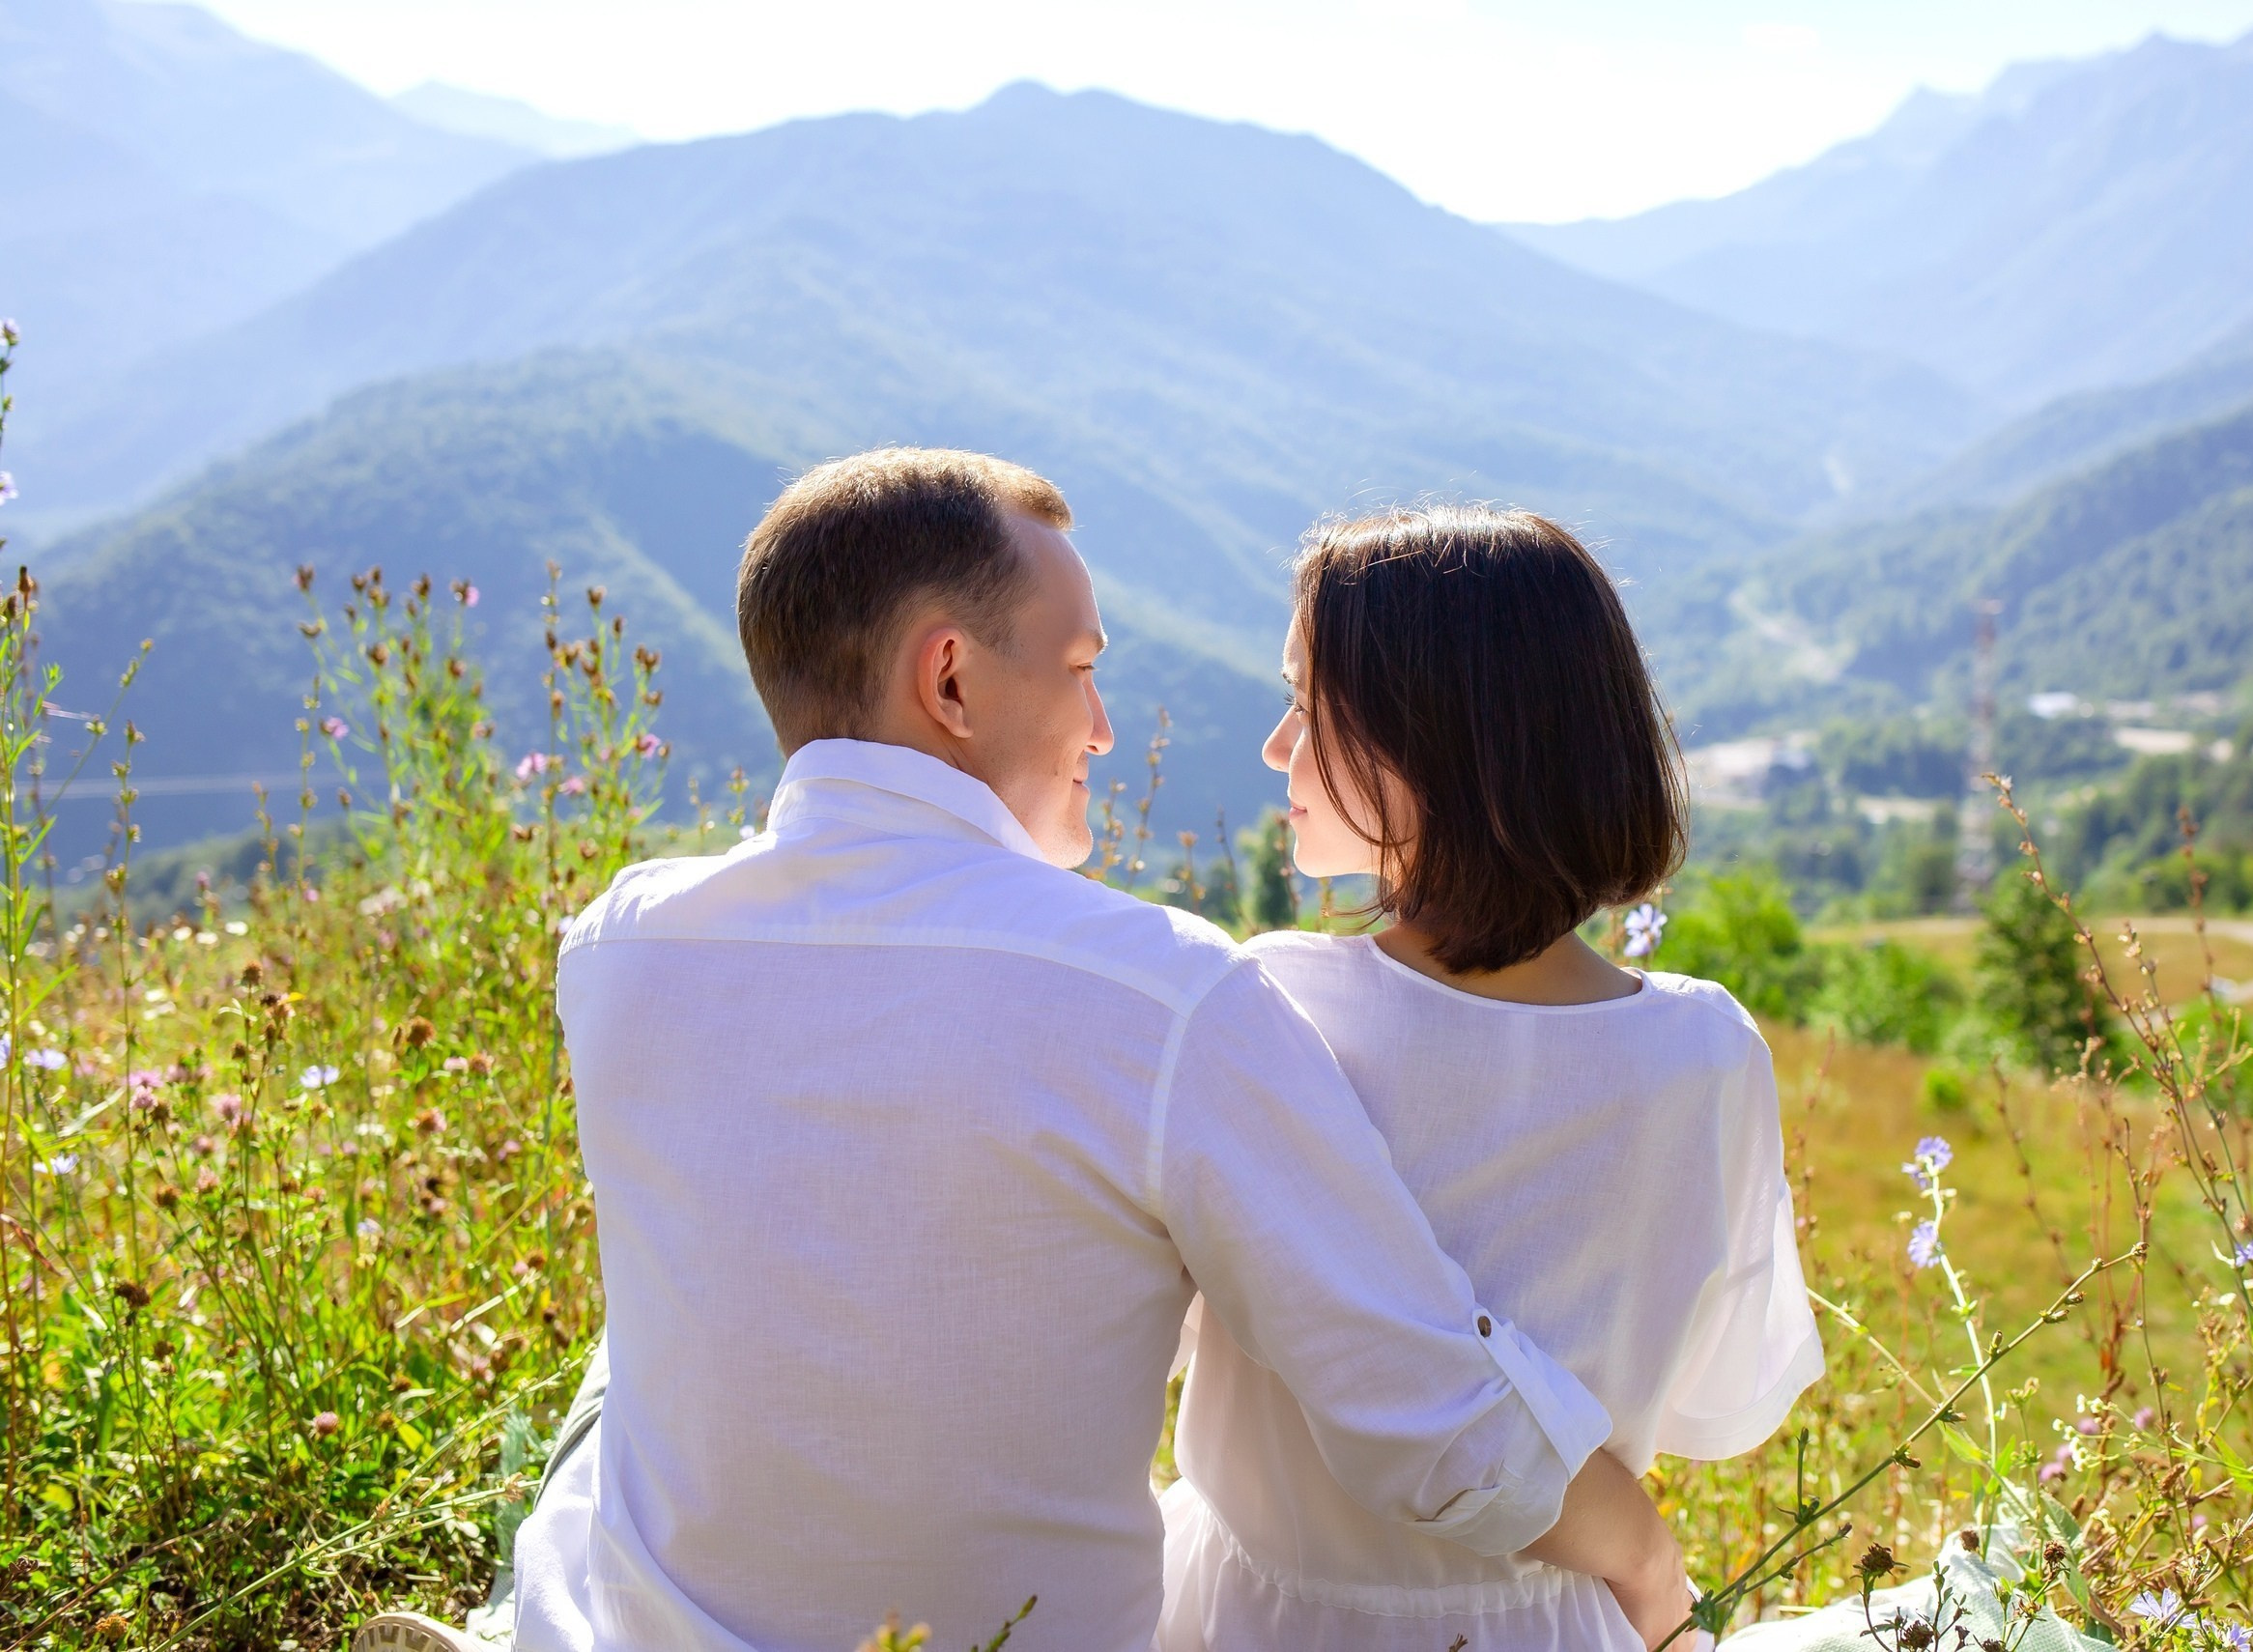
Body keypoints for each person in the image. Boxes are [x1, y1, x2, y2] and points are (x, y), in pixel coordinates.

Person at [358, 451, 1685, 1652]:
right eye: (1083, 668)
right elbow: (1436, 1426)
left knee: (624, 1374)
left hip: (623, 1629)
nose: (1105, 729)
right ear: (948, 678)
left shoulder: (616, 948)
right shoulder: (1163, 993)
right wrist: (1649, 1564)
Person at [1158, 504, 1826, 1651]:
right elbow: (1723, 1400)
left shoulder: (1266, 1007)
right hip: (1562, 1624)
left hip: (1244, 1617)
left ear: (1438, 742)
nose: (1277, 747)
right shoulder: (1707, 1057)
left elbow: (1135, 1336)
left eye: (1308, 704)